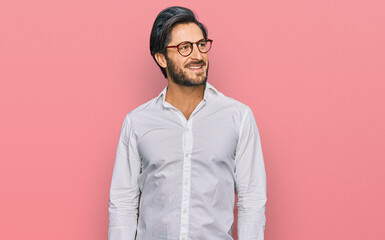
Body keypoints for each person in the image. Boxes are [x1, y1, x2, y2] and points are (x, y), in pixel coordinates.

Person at [108, 6, 267, 240]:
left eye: (201, 45)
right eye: (185, 48)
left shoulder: (238, 116)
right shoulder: (137, 122)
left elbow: (252, 200)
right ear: (161, 58)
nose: (197, 55)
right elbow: (122, 204)